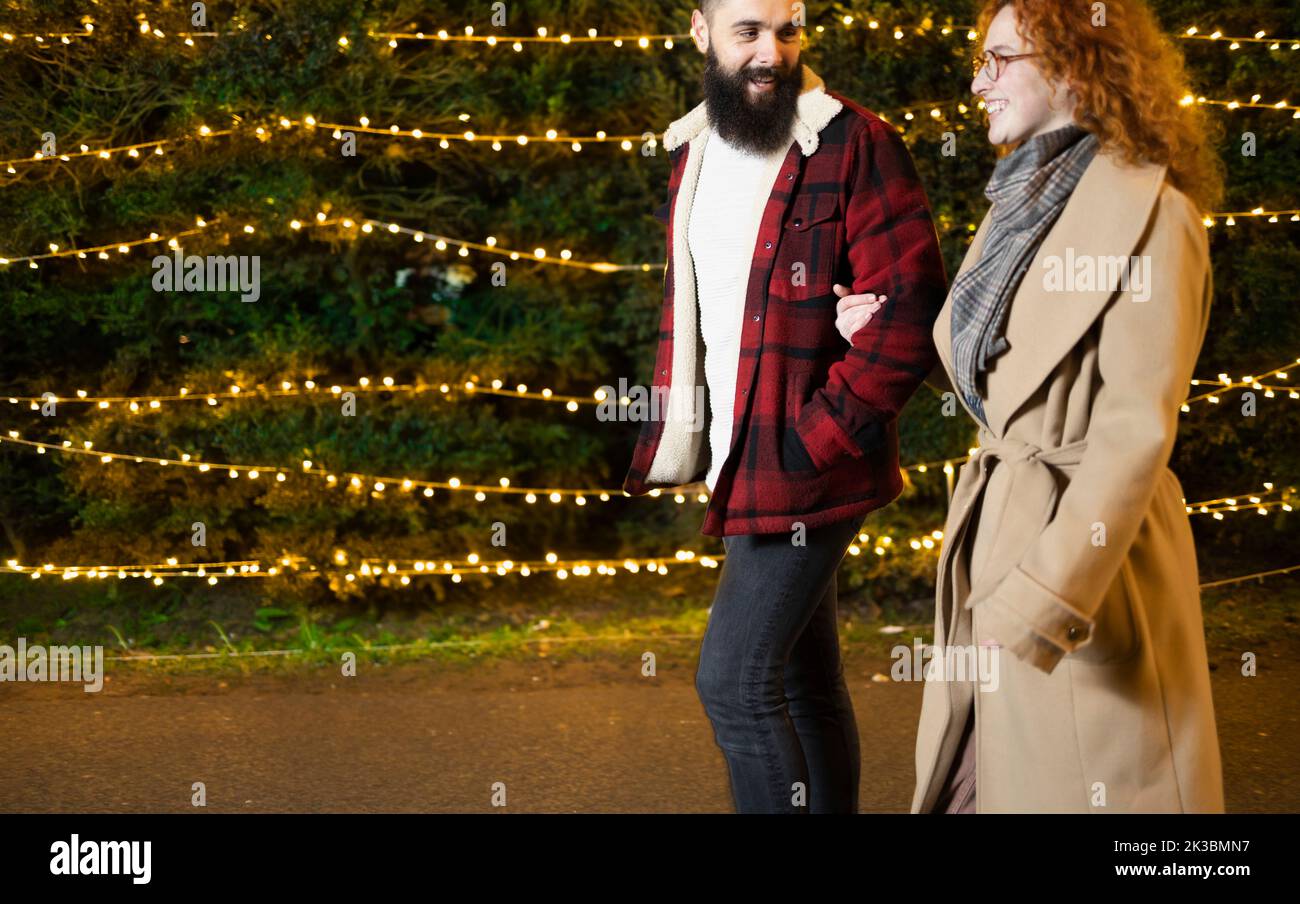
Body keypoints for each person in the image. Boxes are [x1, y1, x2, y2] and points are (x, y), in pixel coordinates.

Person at [837, 0, 1226, 813]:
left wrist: (1046, 594)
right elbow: (1016, 381)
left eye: (1001, 59)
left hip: (1085, 572)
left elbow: (1133, 430)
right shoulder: (1019, 204)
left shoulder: (1157, 216)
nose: (979, 83)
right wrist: (888, 329)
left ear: (1076, 62)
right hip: (997, 545)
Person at [620, 0, 947, 813]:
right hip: (740, 454)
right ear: (701, 35)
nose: (772, 52)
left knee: (734, 684)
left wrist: (820, 436)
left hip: (805, 461)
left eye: (788, 30)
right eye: (748, 32)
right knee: (803, 679)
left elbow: (908, 309)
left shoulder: (855, 142)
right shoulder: (692, 150)